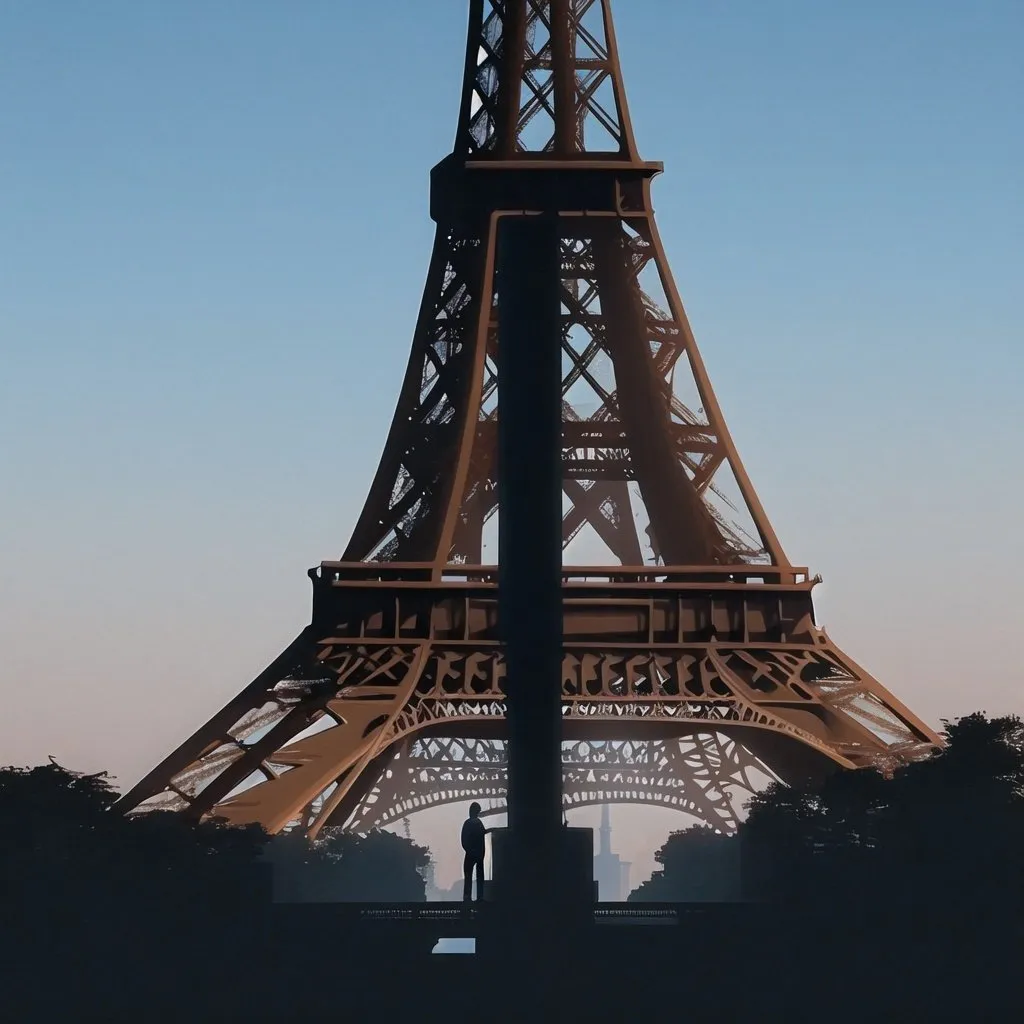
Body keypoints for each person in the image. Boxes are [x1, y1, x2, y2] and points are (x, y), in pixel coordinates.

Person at [460, 802, 489, 901]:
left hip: (470, 853)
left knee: (468, 876)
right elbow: (482, 835)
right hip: (479, 853)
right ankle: (480, 897)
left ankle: (467, 897)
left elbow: (463, 839)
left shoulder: (467, 823)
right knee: (480, 876)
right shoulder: (478, 823)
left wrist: (469, 850)